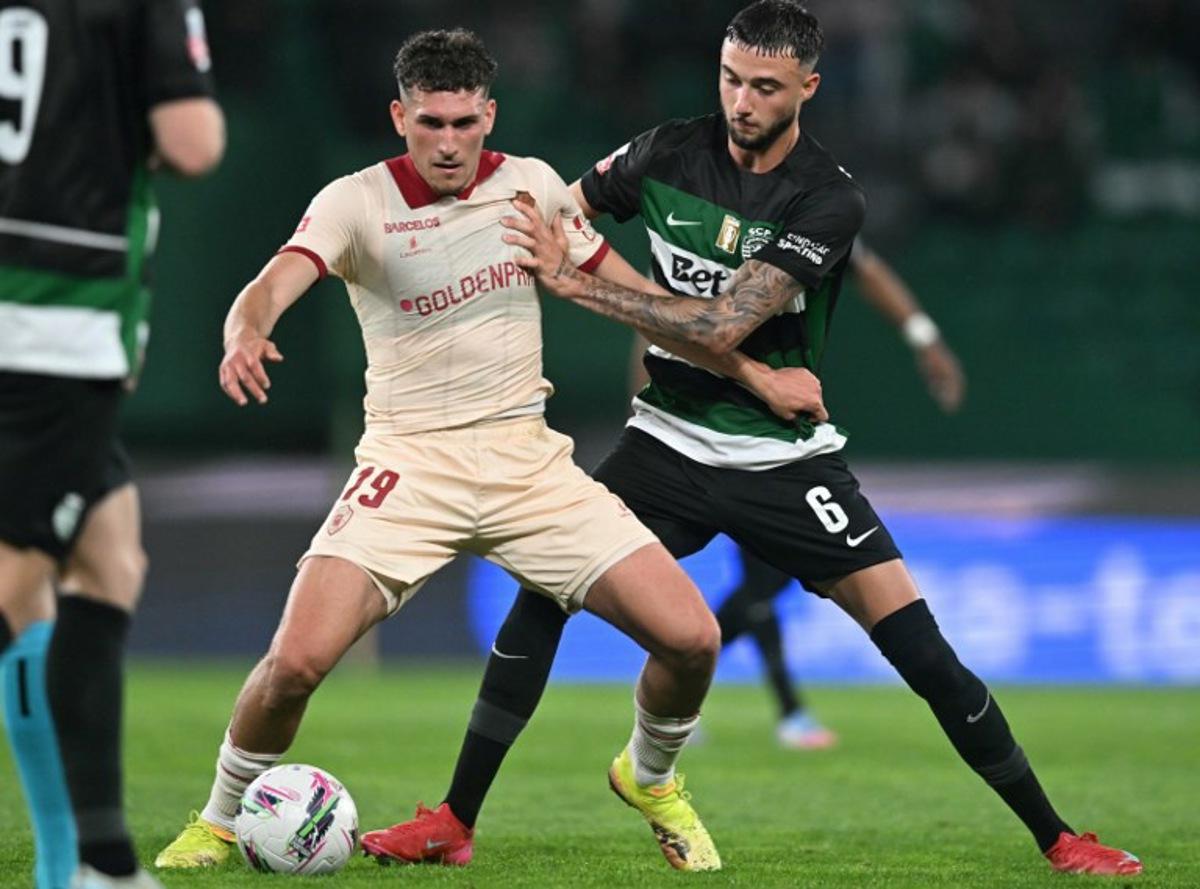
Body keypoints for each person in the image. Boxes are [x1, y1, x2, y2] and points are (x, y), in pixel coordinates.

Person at [380, 1, 1142, 877]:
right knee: (541, 597)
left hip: (784, 458)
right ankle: (454, 819)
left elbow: (721, 321)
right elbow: (560, 216)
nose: (742, 101)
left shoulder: (826, 199)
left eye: (766, 87)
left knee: (923, 651)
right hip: (665, 443)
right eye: (731, 79)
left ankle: (1059, 837)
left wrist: (579, 284)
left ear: (809, 87)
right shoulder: (664, 153)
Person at [151, 28, 825, 876]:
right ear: (400, 117)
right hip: (410, 465)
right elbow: (271, 283)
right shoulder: (354, 202)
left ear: (489, 117)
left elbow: (641, 298)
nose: (447, 142)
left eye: (464, 123)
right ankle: (218, 821)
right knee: (294, 664)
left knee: (693, 638)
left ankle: (650, 777)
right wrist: (245, 332)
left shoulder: (531, 187)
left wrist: (758, 376)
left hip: (528, 465)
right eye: (430, 123)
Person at [0, 2, 224, 887]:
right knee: (17, 576)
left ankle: (94, 863)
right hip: (51, 322)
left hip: (35, 310)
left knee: (108, 557)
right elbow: (193, 140)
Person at [629, 239, 967, 750]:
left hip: (777, 442)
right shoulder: (697, 229)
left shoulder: (804, 223)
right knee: (758, 587)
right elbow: (654, 329)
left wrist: (923, 337)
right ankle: (768, 705)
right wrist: (648, 418)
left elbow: (866, 267)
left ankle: (689, 677)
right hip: (702, 441)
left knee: (763, 586)